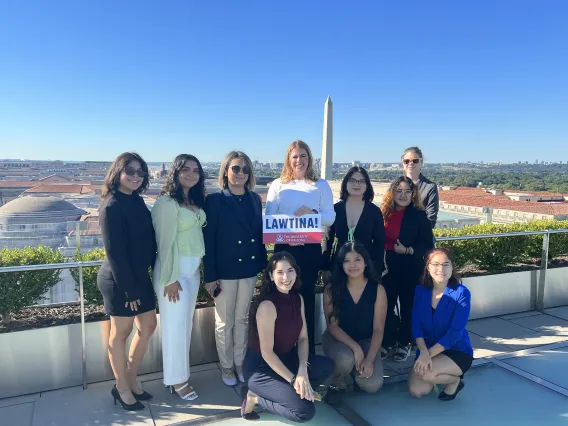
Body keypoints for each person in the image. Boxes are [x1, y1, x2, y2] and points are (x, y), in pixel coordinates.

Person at [241, 252, 334, 422]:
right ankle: (255, 397)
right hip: (262, 368)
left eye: (290, 270)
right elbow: (267, 353)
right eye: (279, 272)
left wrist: (303, 370)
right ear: (270, 275)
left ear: (296, 273)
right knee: (305, 412)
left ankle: (297, 391)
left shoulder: (298, 298)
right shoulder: (267, 306)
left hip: (287, 359)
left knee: (327, 367)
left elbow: (304, 338)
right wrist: (293, 379)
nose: (286, 277)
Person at [97, 152, 157, 411]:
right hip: (119, 280)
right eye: (129, 171)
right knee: (120, 334)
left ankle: (130, 377)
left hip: (140, 276)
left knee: (149, 326)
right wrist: (130, 291)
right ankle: (121, 387)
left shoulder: (136, 200)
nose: (135, 176)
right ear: (117, 172)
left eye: (140, 172)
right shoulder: (111, 204)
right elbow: (115, 253)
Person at [203, 151, 267, 386]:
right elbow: (208, 241)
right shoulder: (216, 201)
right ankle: (227, 366)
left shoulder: (254, 199)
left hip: (248, 269)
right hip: (225, 272)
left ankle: (240, 363)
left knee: (242, 319)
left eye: (245, 169)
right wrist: (210, 276)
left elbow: (258, 236)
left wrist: (262, 267)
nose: (240, 173)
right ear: (226, 171)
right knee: (224, 322)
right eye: (236, 168)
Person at [265, 140, 335, 354]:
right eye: (294, 156)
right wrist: (290, 229)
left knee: (305, 300)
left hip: (309, 250)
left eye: (303, 156)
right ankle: (281, 353)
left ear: (309, 159)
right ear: (288, 159)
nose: (299, 160)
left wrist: (312, 215)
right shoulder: (278, 184)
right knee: (282, 299)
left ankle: (308, 355)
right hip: (284, 250)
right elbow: (269, 217)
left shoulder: (320, 185)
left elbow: (330, 217)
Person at [151, 154, 206, 401]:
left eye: (196, 170)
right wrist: (170, 278)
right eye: (186, 169)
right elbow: (164, 245)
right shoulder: (166, 203)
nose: (191, 173)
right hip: (174, 274)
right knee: (174, 328)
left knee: (185, 327)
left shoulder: (192, 200)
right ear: (175, 172)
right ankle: (177, 381)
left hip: (192, 274)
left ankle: (179, 375)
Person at [322, 242, 387, 399]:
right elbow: (333, 327)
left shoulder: (378, 290)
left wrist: (370, 359)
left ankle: (355, 371)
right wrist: (356, 348)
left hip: (366, 341)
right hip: (338, 341)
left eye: (357, 259)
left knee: (372, 385)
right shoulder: (332, 289)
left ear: (365, 262)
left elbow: (378, 330)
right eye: (347, 261)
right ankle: (338, 381)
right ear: (341, 265)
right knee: (345, 358)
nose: (352, 265)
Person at [380, 176, 434, 362]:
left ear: (413, 194)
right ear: (392, 193)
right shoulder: (383, 212)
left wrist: (409, 250)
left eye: (407, 191)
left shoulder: (419, 215)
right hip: (386, 268)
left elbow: (428, 244)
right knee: (385, 307)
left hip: (409, 267)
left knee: (408, 308)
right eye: (398, 191)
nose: (402, 195)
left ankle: (405, 342)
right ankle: (387, 342)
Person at [409, 247, 473, 401]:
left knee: (428, 374)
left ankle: (455, 380)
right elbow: (416, 325)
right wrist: (424, 352)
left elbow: (454, 334)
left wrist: (427, 356)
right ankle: (439, 374)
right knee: (416, 391)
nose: (440, 269)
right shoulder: (420, 290)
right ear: (428, 267)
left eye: (446, 264)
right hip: (428, 348)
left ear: (452, 267)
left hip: (456, 350)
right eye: (435, 264)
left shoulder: (461, 293)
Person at [322, 166, 385, 280]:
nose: (357, 184)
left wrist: (376, 271)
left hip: (366, 267)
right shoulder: (335, 209)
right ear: (345, 183)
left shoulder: (374, 212)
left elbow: (379, 245)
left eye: (361, 181)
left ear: (367, 186)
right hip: (339, 266)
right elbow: (328, 240)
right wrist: (326, 268)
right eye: (352, 180)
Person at [401, 147, 439, 229]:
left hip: (422, 238)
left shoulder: (430, 187)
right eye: (406, 161)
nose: (410, 164)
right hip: (396, 238)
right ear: (402, 163)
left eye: (415, 161)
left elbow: (431, 219)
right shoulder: (396, 186)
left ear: (421, 162)